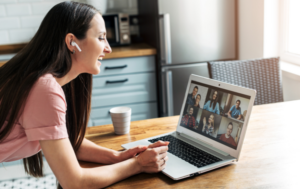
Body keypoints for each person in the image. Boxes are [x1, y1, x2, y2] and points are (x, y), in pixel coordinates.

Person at [0, 2, 169, 189]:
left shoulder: (46, 79)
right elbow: (74, 182)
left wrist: (117, 157)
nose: (108, 48)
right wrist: (137, 165)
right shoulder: (44, 89)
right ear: (72, 42)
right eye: (101, 38)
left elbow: (68, 142)